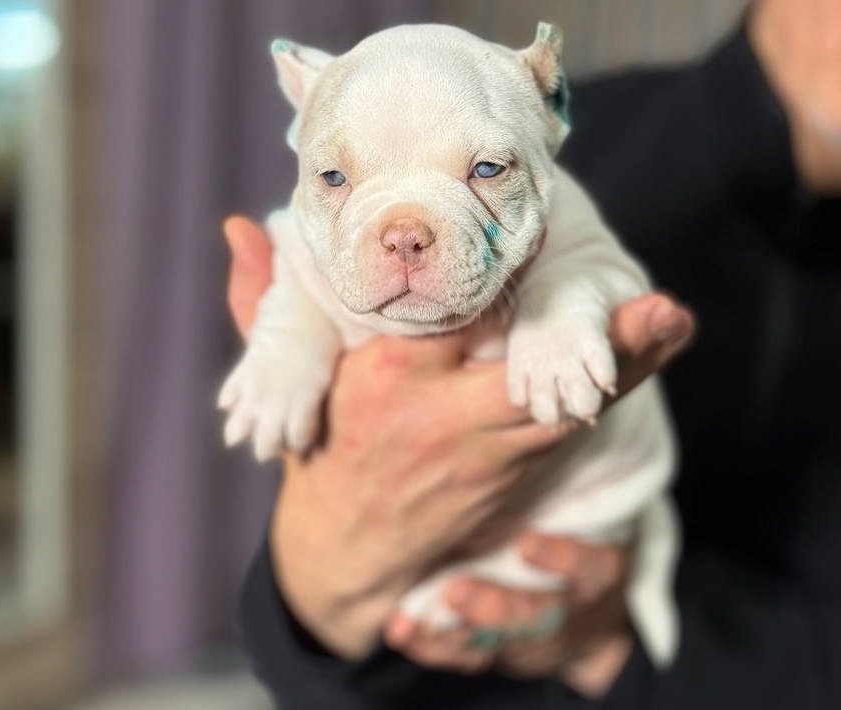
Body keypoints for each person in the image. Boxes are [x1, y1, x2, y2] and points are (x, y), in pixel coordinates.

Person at [231, 1, 841, 707]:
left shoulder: (554, 175)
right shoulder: (590, 132)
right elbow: (291, 659)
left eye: (485, 169)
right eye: (338, 180)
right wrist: (316, 576)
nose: (404, 237)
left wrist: (604, 644)